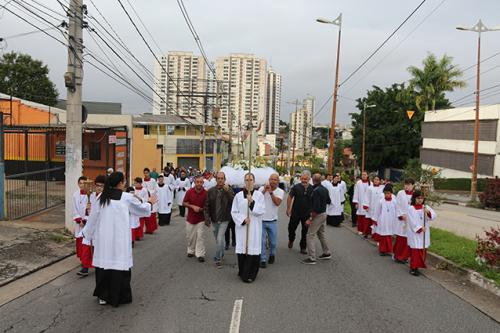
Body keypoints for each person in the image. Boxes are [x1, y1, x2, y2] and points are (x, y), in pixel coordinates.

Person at [82, 172, 156, 307]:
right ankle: (120, 296)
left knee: (103, 266)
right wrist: (150, 203)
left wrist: (87, 234)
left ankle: (103, 296)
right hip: (119, 241)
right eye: (124, 181)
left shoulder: (101, 198)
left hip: (104, 241)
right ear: (120, 183)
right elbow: (140, 210)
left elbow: (92, 219)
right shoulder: (126, 197)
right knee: (118, 266)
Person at [231, 173, 266, 283]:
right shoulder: (238, 196)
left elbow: (261, 211)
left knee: (252, 248)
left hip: (254, 227)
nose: (249, 181)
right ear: (244, 181)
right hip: (242, 228)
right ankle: (242, 271)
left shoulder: (259, 195)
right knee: (242, 249)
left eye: (251, 179)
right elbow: (234, 211)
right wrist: (242, 219)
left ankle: (250, 274)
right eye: (247, 179)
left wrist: (252, 202)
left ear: (254, 181)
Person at [204, 172, 234, 268]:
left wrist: (227, 191)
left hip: (225, 219)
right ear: (216, 179)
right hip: (214, 219)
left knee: (220, 239)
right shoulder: (211, 191)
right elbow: (206, 206)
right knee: (218, 240)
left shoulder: (229, 189)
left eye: (222, 178)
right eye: (218, 178)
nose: (220, 180)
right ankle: (221, 253)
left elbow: (233, 201)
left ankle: (217, 259)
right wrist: (207, 218)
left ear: (225, 180)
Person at [78, 175, 106, 277]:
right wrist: (87, 211)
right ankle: (85, 267)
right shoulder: (91, 195)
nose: (99, 188)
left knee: (97, 248)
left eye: (102, 186)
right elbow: (85, 210)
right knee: (85, 245)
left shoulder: (106, 198)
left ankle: (99, 265)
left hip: (99, 226)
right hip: (90, 225)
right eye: (97, 185)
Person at [302, 174, 332, 264]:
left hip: (317, 215)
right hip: (324, 213)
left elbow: (316, 208)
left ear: (313, 180)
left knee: (310, 235)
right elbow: (329, 201)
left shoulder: (315, 191)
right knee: (321, 234)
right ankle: (327, 252)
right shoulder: (324, 189)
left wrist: (310, 219)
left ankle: (312, 257)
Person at [407, 190, 437, 276]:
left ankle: (419, 265)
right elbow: (411, 221)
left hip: (424, 233)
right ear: (414, 199)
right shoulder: (411, 209)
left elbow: (434, 215)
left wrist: (428, 213)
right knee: (416, 250)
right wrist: (419, 228)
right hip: (415, 233)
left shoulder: (425, 207)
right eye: (418, 198)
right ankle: (413, 267)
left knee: (422, 249)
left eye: (421, 198)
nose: (420, 200)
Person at [259, 173, 284, 268]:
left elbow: (277, 203)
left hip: (272, 221)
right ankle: (263, 259)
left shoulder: (280, 191)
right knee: (262, 241)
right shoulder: (262, 189)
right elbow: (256, 199)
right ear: (269, 180)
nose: (273, 181)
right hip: (261, 220)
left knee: (273, 242)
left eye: (275, 180)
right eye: (271, 179)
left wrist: (270, 193)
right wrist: (263, 191)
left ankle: (272, 254)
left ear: (278, 181)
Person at [286, 170, 313, 254]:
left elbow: (314, 201)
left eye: (306, 179)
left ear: (309, 179)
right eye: (302, 179)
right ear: (300, 178)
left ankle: (303, 247)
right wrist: (288, 208)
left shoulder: (312, 188)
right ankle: (291, 239)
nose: (304, 181)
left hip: (307, 213)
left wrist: (312, 214)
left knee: (305, 231)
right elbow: (290, 197)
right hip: (295, 212)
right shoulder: (296, 187)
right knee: (291, 228)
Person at [183, 175, 208, 262]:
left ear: (203, 183)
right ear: (194, 182)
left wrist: (201, 209)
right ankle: (191, 250)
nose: (199, 184)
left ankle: (200, 254)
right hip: (190, 218)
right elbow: (184, 203)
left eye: (201, 182)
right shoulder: (189, 192)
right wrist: (192, 206)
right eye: (197, 182)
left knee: (200, 236)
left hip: (201, 218)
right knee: (190, 237)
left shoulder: (206, 193)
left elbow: (207, 207)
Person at [372, 184, 397, 256]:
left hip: (391, 221)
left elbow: (397, 211)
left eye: (388, 193)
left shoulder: (394, 201)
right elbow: (377, 211)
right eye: (385, 193)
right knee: (383, 236)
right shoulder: (381, 201)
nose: (387, 195)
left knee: (389, 235)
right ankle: (382, 250)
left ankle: (389, 249)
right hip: (383, 220)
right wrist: (375, 219)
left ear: (391, 193)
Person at [394, 178, 415, 264]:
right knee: (401, 239)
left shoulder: (414, 195)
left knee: (408, 239)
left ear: (413, 185)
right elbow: (397, 205)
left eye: (409, 184)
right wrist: (401, 215)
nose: (407, 186)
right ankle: (398, 256)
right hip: (402, 219)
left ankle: (404, 257)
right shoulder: (400, 193)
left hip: (410, 220)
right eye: (406, 184)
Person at [73, 176, 89, 275]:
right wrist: (79, 220)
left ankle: (86, 263)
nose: (82, 185)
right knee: (80, 241)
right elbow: (74, 208)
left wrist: (85, 220)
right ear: (78, 184)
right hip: (80, 223)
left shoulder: (90, 195)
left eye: (84, 183)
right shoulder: (75, 195)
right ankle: (83, 260)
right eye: (80, 183)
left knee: (86, 242)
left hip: (88, 222)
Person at [363, 175, 383, 240]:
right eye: (375, 179)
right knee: (368, 221)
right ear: (373, 180)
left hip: (378, 208)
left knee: (376, 221)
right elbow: (367, 197)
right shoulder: (370, 188)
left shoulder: (382, 188)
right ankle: (366, 233)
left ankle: (374, 235)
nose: (376, 181)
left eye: (377, 180)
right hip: (371, 207)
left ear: (380, 181)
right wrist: (366, 205)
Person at [353, 171, 371, 236]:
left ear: (367, 175)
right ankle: (360, 229)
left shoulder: (370, 183)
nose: (363, 176)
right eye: (362, 174)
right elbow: (356, 192)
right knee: (360, 217)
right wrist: (356, 202)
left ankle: (366, 231)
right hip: (360, 202)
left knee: (367, 218)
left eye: (365, 174)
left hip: (367, 203)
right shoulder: (358, 183)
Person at [143, 168, 159, 234]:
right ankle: (147, 229)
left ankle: (151, 229)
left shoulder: (153, 180)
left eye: (147, 173)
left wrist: (149, 192)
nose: (146, 174)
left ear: (149, 173)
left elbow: (156, 189)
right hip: (145, 199)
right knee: (146, 214)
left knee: (152, 215)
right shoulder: (142, 180)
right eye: (144, 173)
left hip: (152, 198)